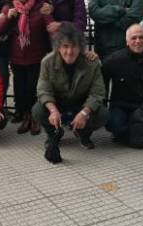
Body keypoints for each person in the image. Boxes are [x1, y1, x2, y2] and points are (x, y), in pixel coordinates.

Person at [32, 23, 109, 164]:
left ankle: (83, 133)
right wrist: (53, 110)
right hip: (58, 102)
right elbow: (43, 89)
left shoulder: (92, 63)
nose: (70, 51)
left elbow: (98, 93)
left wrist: (84, 113)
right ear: (58, 47)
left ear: (81, 47)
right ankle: (53, 134)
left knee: (103, 113)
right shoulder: (47, 62)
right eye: (65, 46)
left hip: (81, 103)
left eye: (74, 46)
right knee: (38, 110)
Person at [0, 0, 54, 135]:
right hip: (17, 57)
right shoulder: (9, 7)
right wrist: (7, 17)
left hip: (37, 57)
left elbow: (51, 29)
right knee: (20, 89)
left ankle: (34, 117)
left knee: (34, 88)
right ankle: (24, 114)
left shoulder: (41, 6)